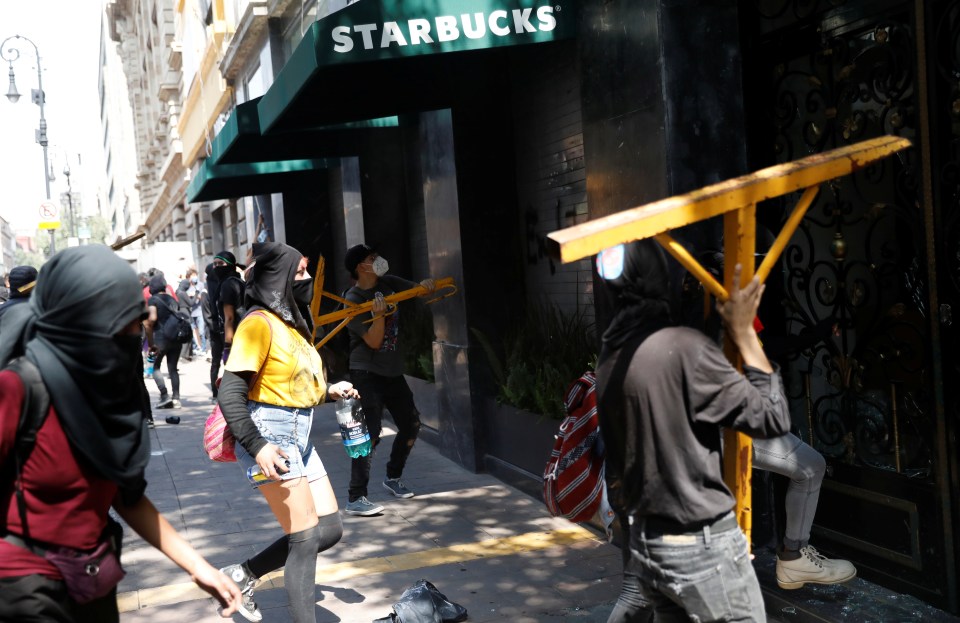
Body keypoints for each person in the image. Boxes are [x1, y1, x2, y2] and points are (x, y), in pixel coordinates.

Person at [0, 245, 241, 622]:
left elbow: (126, 496)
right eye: (123, 324)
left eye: (136, 321)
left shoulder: (109, 388)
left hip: (94, 577)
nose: (134, 334)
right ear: (83, 319)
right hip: (26, 588)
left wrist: (200, 568)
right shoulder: (20, 386)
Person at [595, 240, 791, 623]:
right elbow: (773, 418)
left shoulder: (610, 358)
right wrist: (745, 333)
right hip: (697, 541)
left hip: (648, 543)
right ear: (658, 279)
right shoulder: (683, 349)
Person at [217, 242, 355, 623]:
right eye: (300, 272)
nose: (308, 279)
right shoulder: (258, 323)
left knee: (328, 528)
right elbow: (229, 392)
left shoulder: (291, 324)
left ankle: (241, 575)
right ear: (278, 277)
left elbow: (289, 385)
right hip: (270, 437)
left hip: (299, 435)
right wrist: (258, 446)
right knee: (305, 538)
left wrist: (329, 391)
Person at [341, 244, 435, 516]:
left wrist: (425, 286)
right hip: (366, 374)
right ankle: (355, 497)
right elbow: (373, 340)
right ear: (361, 266)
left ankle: (393, 476)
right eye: (372, 258)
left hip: (392, 371)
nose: (379, 260)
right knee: (369, 435)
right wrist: (379, 316)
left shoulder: (389, 283)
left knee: (411, 423)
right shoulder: (353, 299)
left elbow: (417, 290)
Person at [210, 251, 245, 403]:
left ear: (230, 265)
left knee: (233, 380)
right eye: (215, 264)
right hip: (244, 334)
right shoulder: (238, 281)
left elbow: (229, 317)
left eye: (221, 264)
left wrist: (227, 345)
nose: (217, 267)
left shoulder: (227, 285)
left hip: (235, 338)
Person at [143, 275, 183, 409]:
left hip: (160, 339)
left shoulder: (153, 300)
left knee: (155, 366)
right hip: (175, 338)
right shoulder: (171, 299)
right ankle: (176, 399)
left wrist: (150, 341)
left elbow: (152, 319)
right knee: (173, 369)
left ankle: (164, 395)